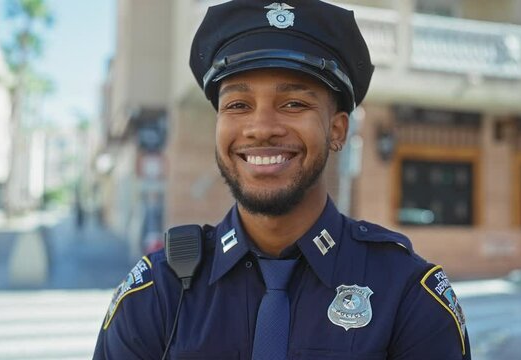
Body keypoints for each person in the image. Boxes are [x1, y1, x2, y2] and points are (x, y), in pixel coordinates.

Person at [94, 0, 471, 359]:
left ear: (337, 130)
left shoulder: (406, 293)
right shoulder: (158, 293)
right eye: (238, 105)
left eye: (294, 104)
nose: (261, 129)